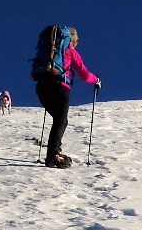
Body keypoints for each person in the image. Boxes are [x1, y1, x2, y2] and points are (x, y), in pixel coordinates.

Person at [33, 27, 100, 169]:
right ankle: (53, 154)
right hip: (60, 88)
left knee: (60, 120)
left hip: (42, 88)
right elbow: (85, 74)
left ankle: (56, 151)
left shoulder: (47, 51)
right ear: (72, 40)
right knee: (61, 120)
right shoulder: (70, 51)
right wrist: (96, 80)